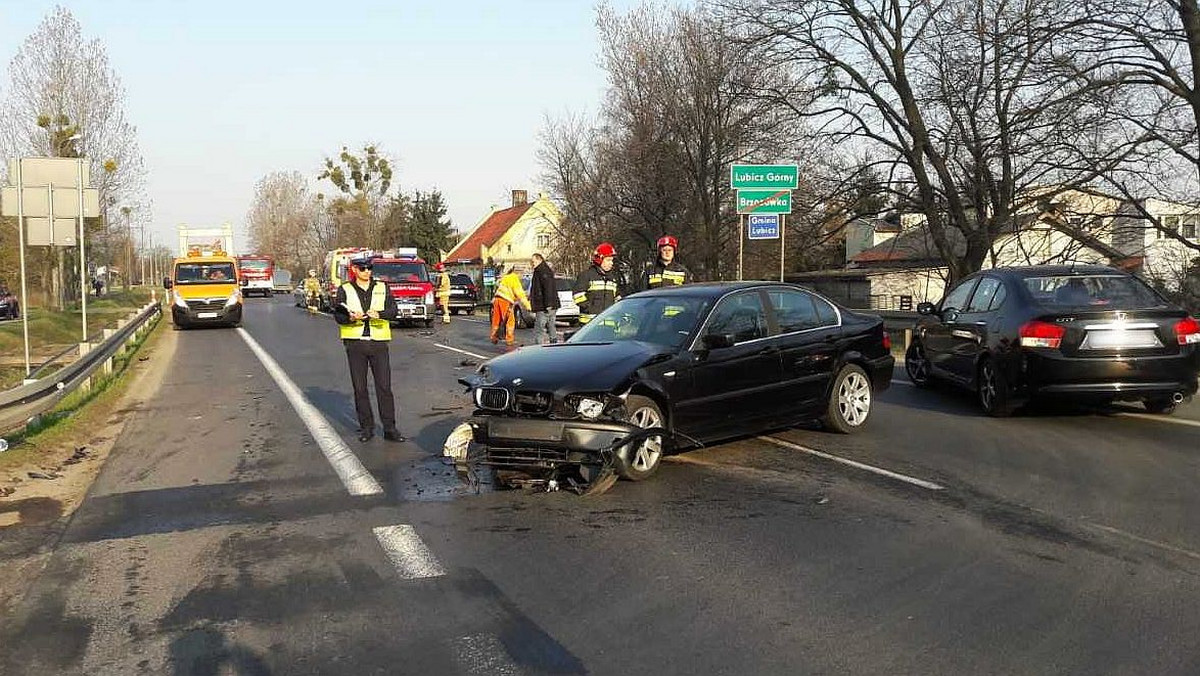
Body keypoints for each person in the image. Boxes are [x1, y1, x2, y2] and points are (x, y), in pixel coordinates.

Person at [332, 257, 404, 443]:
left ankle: (390, 428)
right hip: (355, 344)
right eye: (363, 268)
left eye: (370, 268)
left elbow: (393, 310)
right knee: (360, 388)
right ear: (354, 270)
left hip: (378, 343)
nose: (367, 271)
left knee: (384, 387)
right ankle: (367, 428)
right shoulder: (345, 289)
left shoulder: (382, 287)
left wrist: (379, 314)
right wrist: (350, 317)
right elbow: (338, 315)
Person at [573, 243, 620, 324]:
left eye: (612, 260)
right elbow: (577, 296)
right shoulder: (586, 276)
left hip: (610, 325)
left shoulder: (613, 278)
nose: (611, 263)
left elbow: (617, 298)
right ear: (600, 259)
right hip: (589, 325)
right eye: (608, 260)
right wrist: (591, 309)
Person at [490, 265, 531, 346]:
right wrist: (528, 306)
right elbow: (520, 294)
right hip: (505, 301)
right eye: (522, 273)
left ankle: (494, 337)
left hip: (497, 299)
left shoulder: (506, 277)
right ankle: (509, 339)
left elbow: (498, 283)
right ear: (519, 273)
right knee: (510, 321)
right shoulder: (514, 279)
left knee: (496, 320)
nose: (522, 275)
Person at [528, 253, 560, 344]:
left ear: (539, 260)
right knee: (551, 326)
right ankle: (554, 345)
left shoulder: (542, 271)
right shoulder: (543, 270)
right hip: (549, 304)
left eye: (533, 261)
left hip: (543, 306)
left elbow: (548, 288)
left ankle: (539, 349)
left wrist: (548, 304)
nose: (532, 263)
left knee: (539, 329)